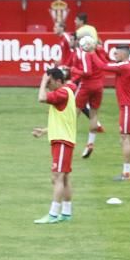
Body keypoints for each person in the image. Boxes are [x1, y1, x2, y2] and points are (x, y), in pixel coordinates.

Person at [30, 67, 78, 224]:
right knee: (63, 177)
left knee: (57, 177)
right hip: (63, 139)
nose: (48, 86)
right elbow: (63, 119)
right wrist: (44, 131)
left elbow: (41, 98)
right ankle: (66, 212)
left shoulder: (63, 93)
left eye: (50, 82)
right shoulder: (66, 91)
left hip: (62, 141)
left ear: (58, 81)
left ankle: (53, 213)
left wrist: (43, 82)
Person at [101, 44, 130, 181]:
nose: (114, 56)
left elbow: (102, 66)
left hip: (126, 107)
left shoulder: (124, 66)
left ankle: (126, 173)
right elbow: (106, 63)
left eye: (116, 54)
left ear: (123, 54)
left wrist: (91, 52)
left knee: (125, 138)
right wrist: (98, 50)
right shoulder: (127, 65)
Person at [68, 31, 106, 158]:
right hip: (99, 86)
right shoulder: (99, 51)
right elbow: (104, 64)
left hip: (87, 86)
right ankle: (90, 144)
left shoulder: (86, 54)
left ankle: (67, 142)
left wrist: (74, 70)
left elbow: (87, 72)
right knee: (94, 114)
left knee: (73, 113)